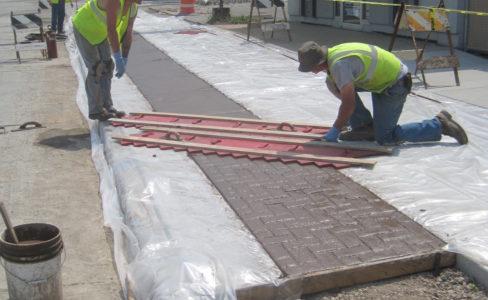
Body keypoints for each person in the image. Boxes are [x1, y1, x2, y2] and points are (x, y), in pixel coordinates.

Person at [297, 41, 468, 145]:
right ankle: (366, 126)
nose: (312, 72)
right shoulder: (333, 56)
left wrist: (336, 128)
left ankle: (439, 124)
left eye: (311, 68)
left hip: (394, 84)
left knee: (385, 138)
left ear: (319, 62)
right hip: (380, 80)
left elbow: (348, 103)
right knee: (332, 82)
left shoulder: (339, 65)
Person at [72, 0, 141, 121]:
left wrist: (124, 57)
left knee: (108, 65)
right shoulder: (114, 1)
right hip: (84, 28)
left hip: (100, 32)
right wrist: (117, 56)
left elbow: (128, 32)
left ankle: (107, 106)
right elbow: (111, 29)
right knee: (96, 68)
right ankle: (96, 110)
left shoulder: (133, 8)